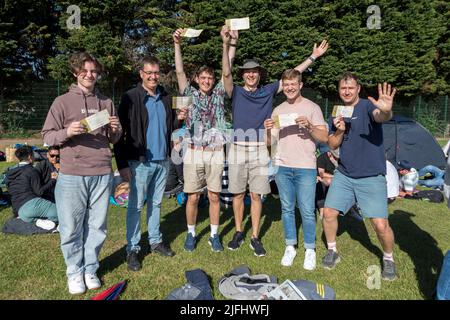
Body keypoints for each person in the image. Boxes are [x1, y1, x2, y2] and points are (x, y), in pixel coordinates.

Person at [222, 36, 329, 256]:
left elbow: (292, 78)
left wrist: (313, 57)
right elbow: (225, 73)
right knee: (238, 194)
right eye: (247, 71)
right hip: (237, 149)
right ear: (242, 74)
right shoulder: (236, 91)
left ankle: (254, 236)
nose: (250, 74)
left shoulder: (268, 90)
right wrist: (227, 44)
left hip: (261, 149)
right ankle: (239, 231)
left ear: (259, 74)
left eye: (254, 71)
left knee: (257, 195)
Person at [42, 51, 122, 295]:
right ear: (76, 72)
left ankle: (90, 268)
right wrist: (67, 131)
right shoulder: (62, 102)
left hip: (101, 171)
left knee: (97, 225)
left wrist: (116, 130)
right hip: (72, 173)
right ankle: (74, 271)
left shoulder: (106, 102)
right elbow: (47, 137)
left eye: (94, 71)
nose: (90, 75)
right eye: (85, 70)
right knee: (71, 226)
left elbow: (113, 139)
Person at [322, 72, 398, 281]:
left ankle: (389, 259)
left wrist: (386, 111)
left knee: (380, 225)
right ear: (339, 90)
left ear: (358, 89)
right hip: (345, 174)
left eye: (351, 88)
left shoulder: (366, 106)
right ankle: (332, 251)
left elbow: (380, 116)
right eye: (343, 88)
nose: (346, 91)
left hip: (371, 177)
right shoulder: (337, 110)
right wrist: (338, 131)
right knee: (328, 213)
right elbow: (332, 144)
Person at [113, 56, 186, 272]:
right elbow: (119, 133)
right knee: (135, 206)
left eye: (156, 72)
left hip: (162, 161)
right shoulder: (130, 97)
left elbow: (170, 125)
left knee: (156, 204)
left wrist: (179, 118)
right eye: (149, 72)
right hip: (139, 162)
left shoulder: (165, 96)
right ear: (141, 74)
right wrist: (122, 164)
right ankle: (133, 249)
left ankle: (155, 241)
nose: (153, 76)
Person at [172, 26, 238, 252]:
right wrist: (177, 45)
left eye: (210, 77)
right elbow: (180, 73)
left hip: (216, 153)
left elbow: (227, 72)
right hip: (193, 152)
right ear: (197, 79)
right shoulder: (189, 94)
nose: (207, 81)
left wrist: (227, 43)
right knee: (192, 198)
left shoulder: (220, 92)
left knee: (214, 197)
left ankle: (213, 235)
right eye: (203, 77)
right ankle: (191, 234)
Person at [263, 69, 328, 269]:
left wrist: (309, 126)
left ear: (300, 85)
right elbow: (270, 143)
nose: (290, 87)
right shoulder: (278, 110)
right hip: (283, 167)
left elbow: (324, 138)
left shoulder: (312, 107)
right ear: (284, 86)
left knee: (308, 210)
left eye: (294, 84)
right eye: (287, 84)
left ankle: (310, 249)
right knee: (287, 209)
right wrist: (267, 130)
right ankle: (290, 246)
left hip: (306, 167)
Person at [5, 145, 58, 225]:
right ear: (30, 156)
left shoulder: (10, 173)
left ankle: (36, 220)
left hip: (18, 210)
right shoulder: (31, 170)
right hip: (31, 204)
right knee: (62, 214)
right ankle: (42, 219)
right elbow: (39, 192)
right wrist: (53, 180)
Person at [316, 148, 340, 218]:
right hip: (323, 178)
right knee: (324, 183)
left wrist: (335, 162)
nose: (336, 158)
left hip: (337, 178)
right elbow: (321, 174)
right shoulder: (322, 158)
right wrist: (334, 176)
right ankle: (322, 209)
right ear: (330, 153)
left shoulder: (339, 159)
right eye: (335, 157)